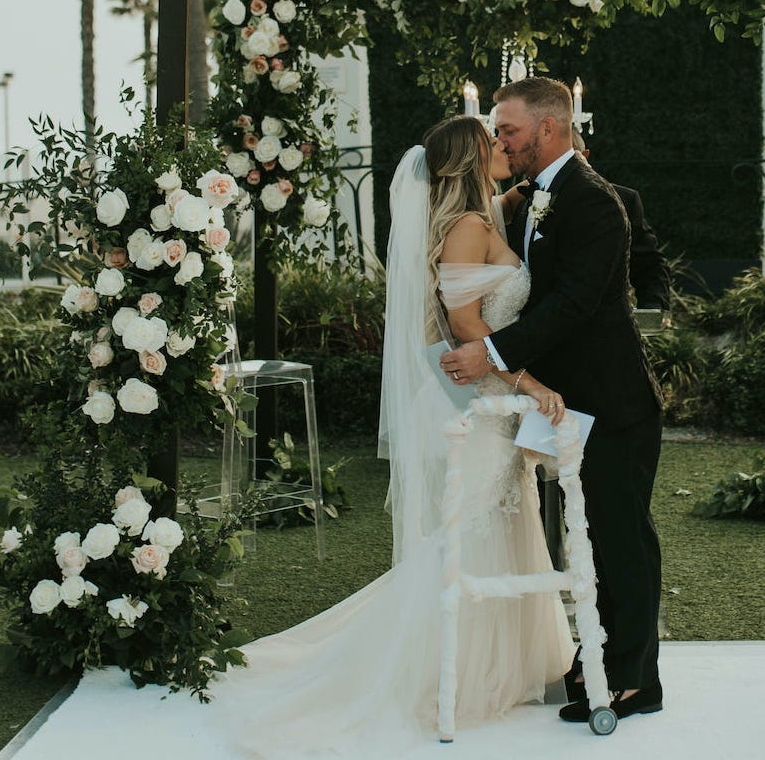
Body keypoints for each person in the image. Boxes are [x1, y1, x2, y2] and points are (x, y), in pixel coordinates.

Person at [210, 115, 572, 756]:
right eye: (492, 141)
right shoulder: (466, 228)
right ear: (467, 158)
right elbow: (464, 325)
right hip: (481, 403)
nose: (502, 146)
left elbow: (488, 285)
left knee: (493, 526)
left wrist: (527, 191)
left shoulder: (483, 219)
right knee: (472, 532)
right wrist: (526, 385)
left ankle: (501, 668)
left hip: (492, 403)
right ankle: (447, 673)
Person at [441, 76, 665, 723]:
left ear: (548, 127)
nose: (500, 139)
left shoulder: (592, 201)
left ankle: (632, 677)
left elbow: (573, 304)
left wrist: (493, 352)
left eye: (508, 128)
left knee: (622, 537)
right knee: (590, 534)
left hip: (613, 401)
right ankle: (602, 656)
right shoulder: (539, 195)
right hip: (568, 402)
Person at [570, 128, 672, 314]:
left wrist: (653, 307)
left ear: (585, 155)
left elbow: (648, 264)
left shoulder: (623, 199)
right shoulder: (525, 199)